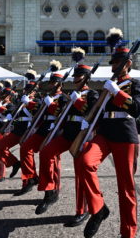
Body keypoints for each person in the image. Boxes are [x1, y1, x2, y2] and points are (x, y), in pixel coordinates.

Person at [78, 47, 140, 238]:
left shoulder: (135, 83)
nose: (114, 66)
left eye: (118, 63)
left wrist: (117, 92)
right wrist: (89, 122)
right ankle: (98, 209)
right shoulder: (108, 85)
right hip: (105, 133)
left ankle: (128, 233)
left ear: (128, 64)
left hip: (125, 134)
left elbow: (138, 109)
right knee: (85, 161)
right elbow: (98, 111)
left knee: (126, 188)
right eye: (113, 63)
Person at [36, 62, 99, 228]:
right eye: (75, 77)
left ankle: (82, 209)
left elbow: (90, 111)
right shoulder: (71, 95)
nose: (76, 79)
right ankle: (51, 191)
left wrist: (77, 101)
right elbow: (61, 113)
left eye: (79, 77)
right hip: (67, 133)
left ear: (86, 78)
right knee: (46, 152)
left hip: (82, 134)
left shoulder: (92, 94)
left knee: (80, 172)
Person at [15, 60, 68, 196]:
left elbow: (61, 114)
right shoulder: (47, 97)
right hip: (43, 127)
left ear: (60, 84)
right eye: (50, 83)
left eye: (54, 83)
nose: (51, 85)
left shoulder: (64, 98)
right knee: (26, 147)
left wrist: (50, 104)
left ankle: (53, 189)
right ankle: (31, 177)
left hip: (55, 128)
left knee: (52, 159)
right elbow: (39, 113)